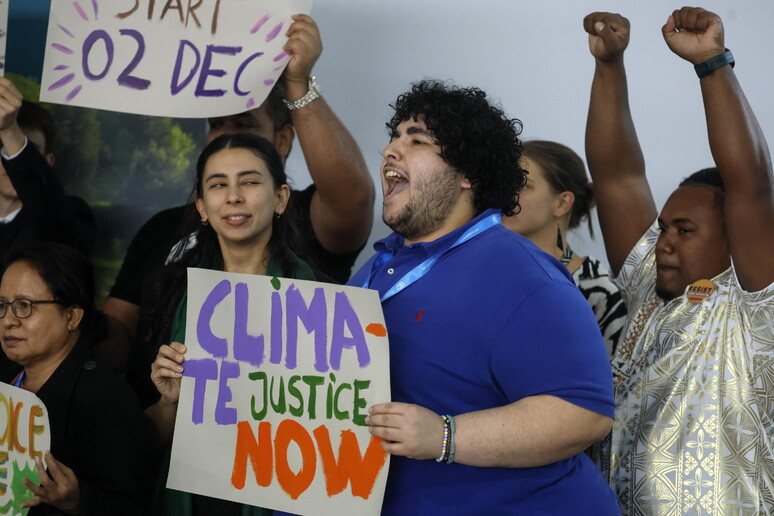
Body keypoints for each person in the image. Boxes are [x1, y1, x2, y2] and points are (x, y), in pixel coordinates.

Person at [349, 81, 619, 514]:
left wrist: (445, 436)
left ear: (467, 174)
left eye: (416, 140)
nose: (389, 152)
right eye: (393, 138)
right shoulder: (377, 267)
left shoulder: (524, 277)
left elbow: (584, 414)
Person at [102, 14, 374, 371]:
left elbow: (353, 199)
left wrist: (297, 82)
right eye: (216, 125)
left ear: (283, 140)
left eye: (243, 124)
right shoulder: (162, 228)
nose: (226, 137)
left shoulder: (310, 218)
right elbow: (118, 329)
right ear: (200, 205)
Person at [584, 7, 773, 513]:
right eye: (664, 227)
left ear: (736, 238)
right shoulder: (651, 283)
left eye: (684, 230)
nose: (664, 240)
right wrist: (609, 66)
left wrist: (712, 62)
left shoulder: (754, 311)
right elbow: (617, 179)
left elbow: (751, 182)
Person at [145, 133, 315, 515]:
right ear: (202, 207)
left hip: (276, 496)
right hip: (192, 494)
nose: (234, 196)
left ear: (281, 199)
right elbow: (155, 434)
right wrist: (169, 400)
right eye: (218, 185)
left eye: (250, 182)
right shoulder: (176, 290)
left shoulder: (317, 303)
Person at [0, 242, 143, 514]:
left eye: (24, 306)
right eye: (2, 305)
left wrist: (78, 501)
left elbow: (128, 508)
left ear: (72, 316)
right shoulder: (7, 380)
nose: (9, 320)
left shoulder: (104, 399)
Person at [502, 140, 627, 356]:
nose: (505, 194)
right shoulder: (486, 272)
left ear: (562, 203)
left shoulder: (598, 292)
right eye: (504, 182)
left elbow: (610, 384)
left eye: (522, 184)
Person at [0, 78, 95, 259]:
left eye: (29, 150)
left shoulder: (71, 214)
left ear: (48, 162)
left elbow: (49, 214)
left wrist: (10, 131)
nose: (10, 162)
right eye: (4, 148)